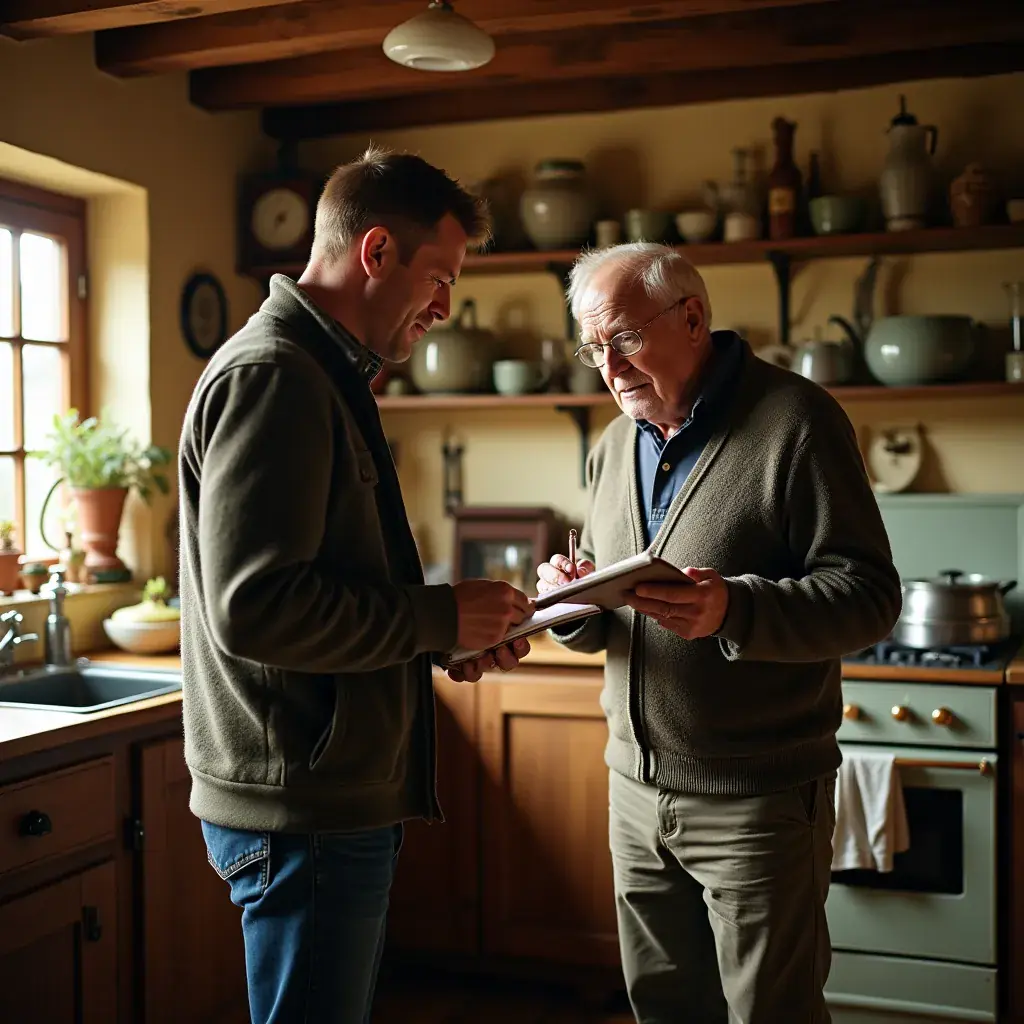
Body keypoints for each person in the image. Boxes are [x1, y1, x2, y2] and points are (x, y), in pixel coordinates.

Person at [177, 146, 531, 1024]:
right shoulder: (277, 376)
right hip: (304, 808)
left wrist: (443, 637)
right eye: (440, 278)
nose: (445, 307)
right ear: (377, 252)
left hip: (319, 800)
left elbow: (323, 589)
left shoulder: (322, 372)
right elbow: (258, 608)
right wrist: (436, 616)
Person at [536, 242, 901, 1023]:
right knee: (665, 1010)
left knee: (772, 1012)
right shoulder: (612, 446)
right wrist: (572, 606)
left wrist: (733, 609)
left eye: (624, 338)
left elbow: (869, 598)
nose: (610, 369)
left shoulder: (798, 423)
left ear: (693, 318)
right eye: (594, 349)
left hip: (757, 801)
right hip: (634, 793)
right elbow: (614, 616)